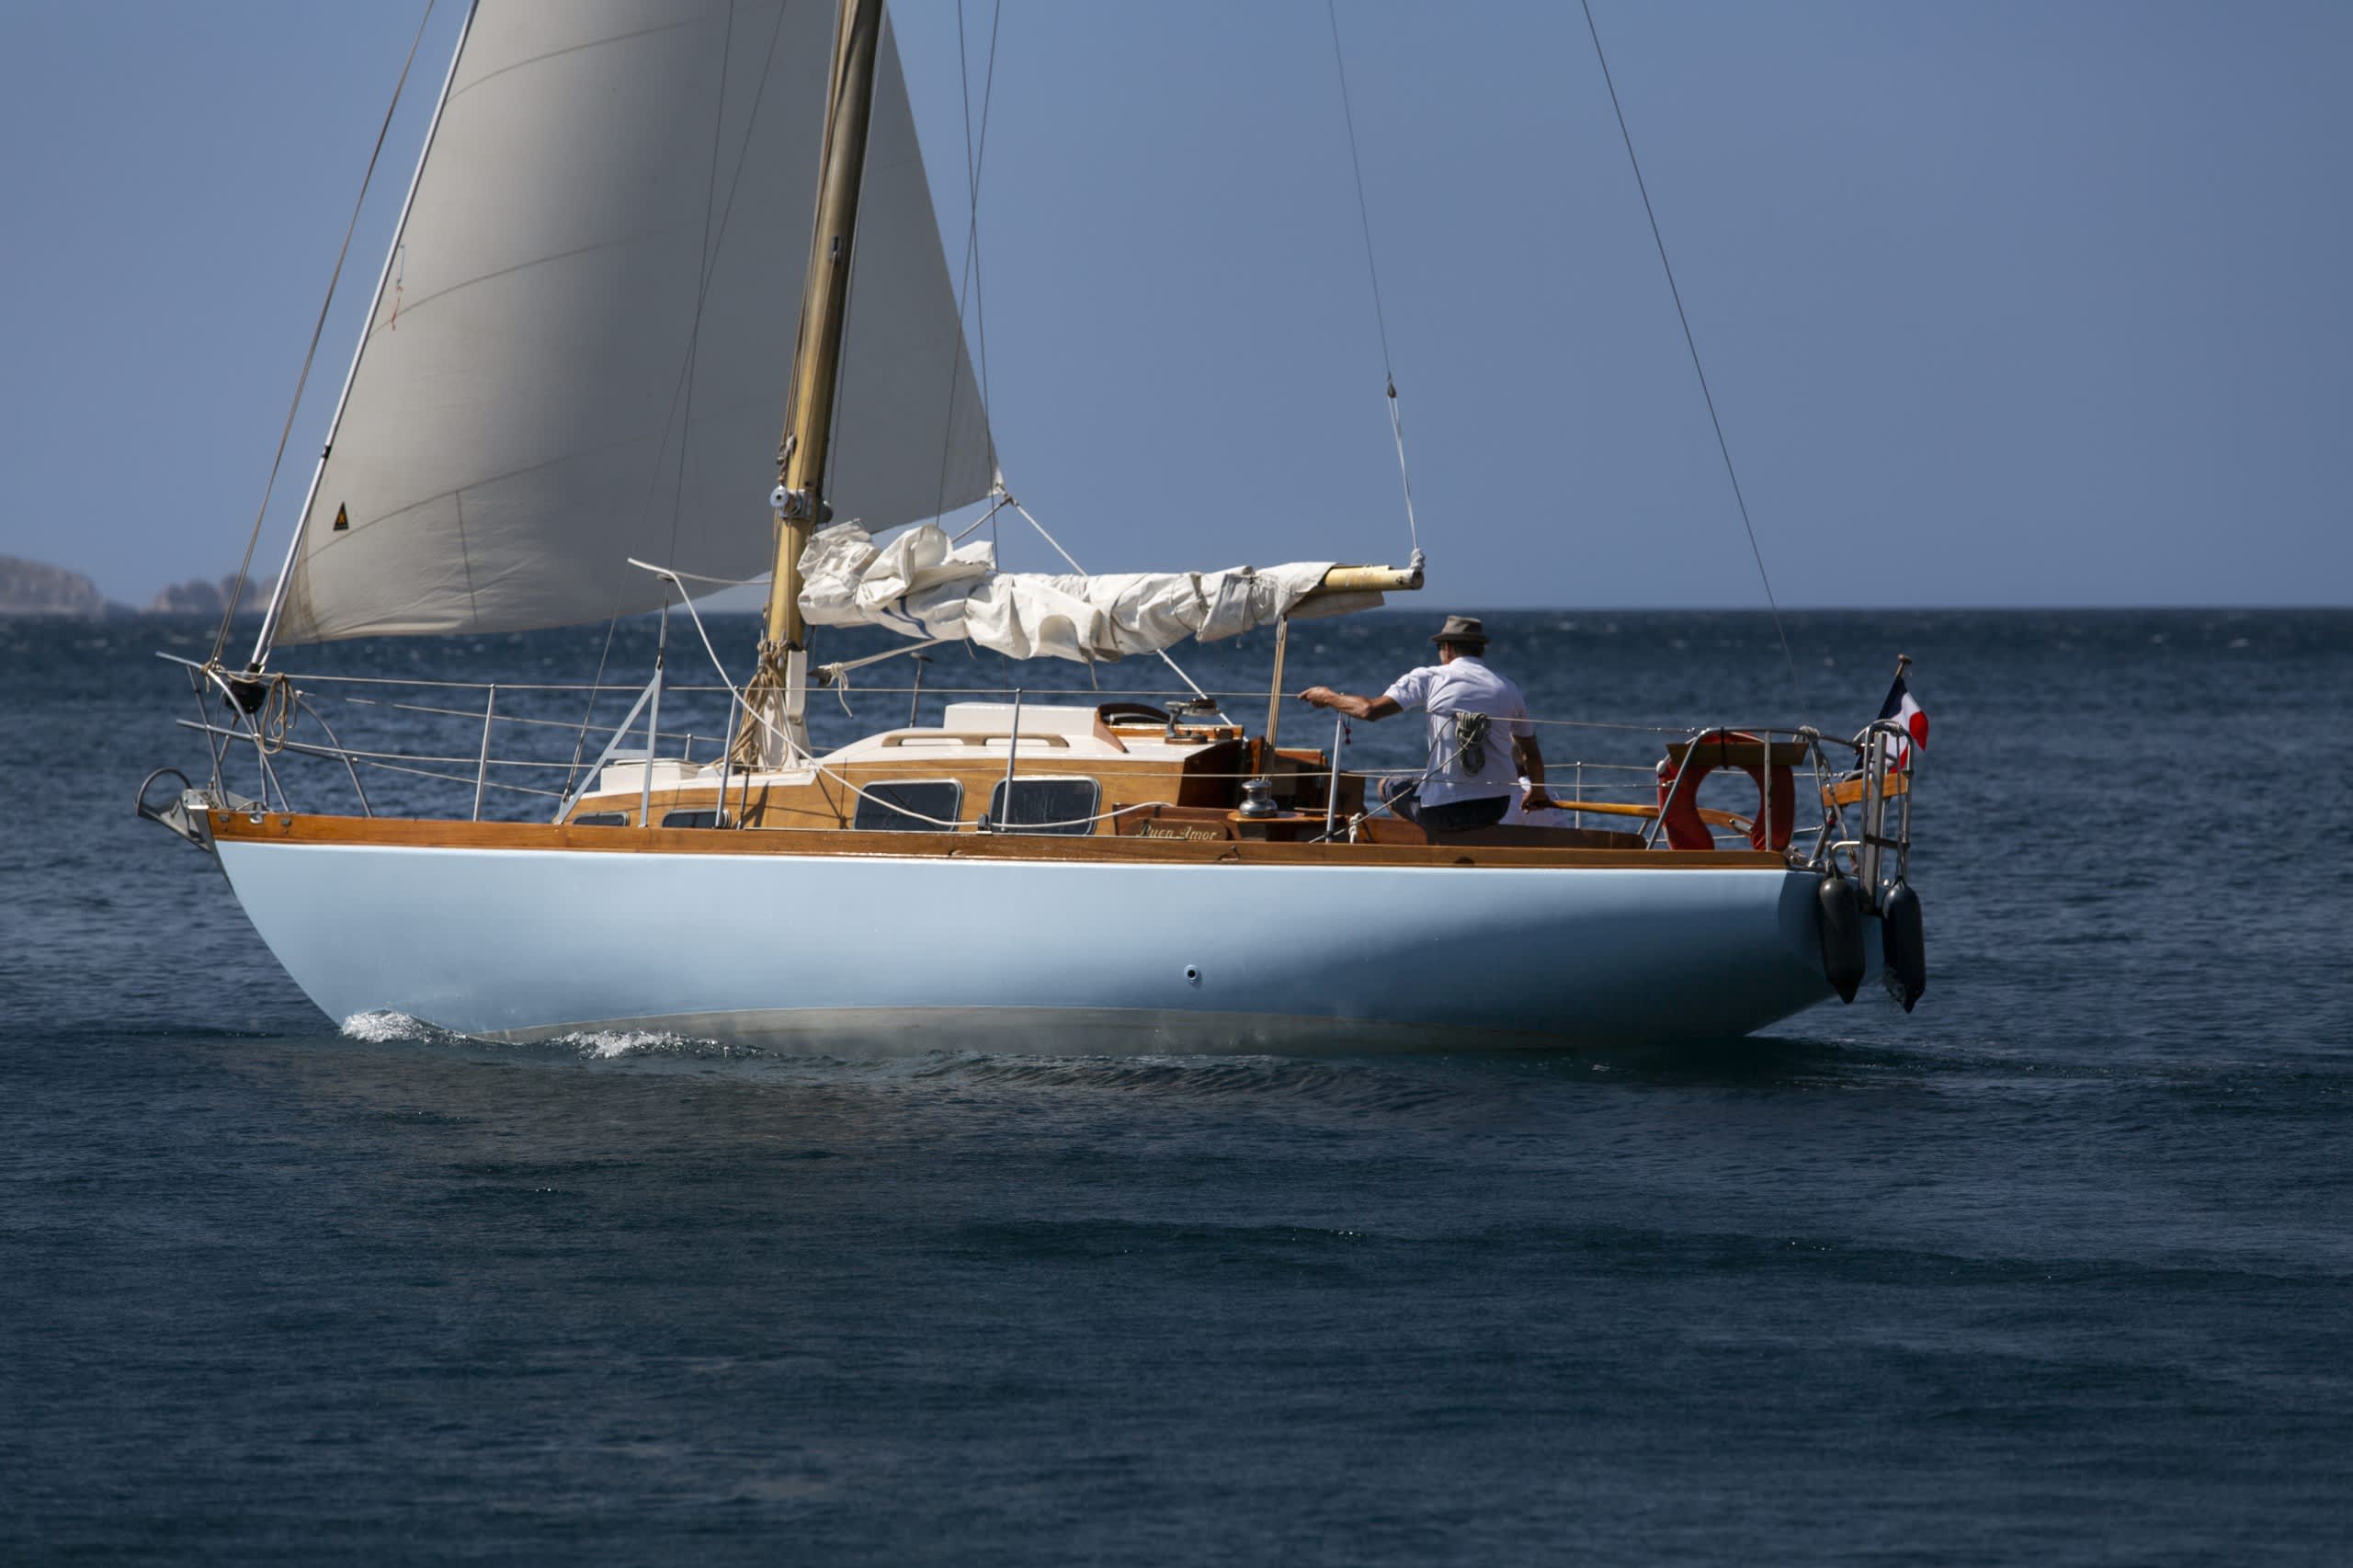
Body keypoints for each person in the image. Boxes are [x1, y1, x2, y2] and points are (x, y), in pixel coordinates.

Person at [1298, 614, 1552, 833]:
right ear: (1481, 650)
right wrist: (1538, 793)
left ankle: (1421, 845)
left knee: (1387, 786)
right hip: (1495, 807)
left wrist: (1328, 697)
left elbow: (1369, 710)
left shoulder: (1430, 678)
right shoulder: (1508, 688)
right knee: (1430, 786)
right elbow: (1531, 754)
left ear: (1447, 648)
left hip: (1442, 811)